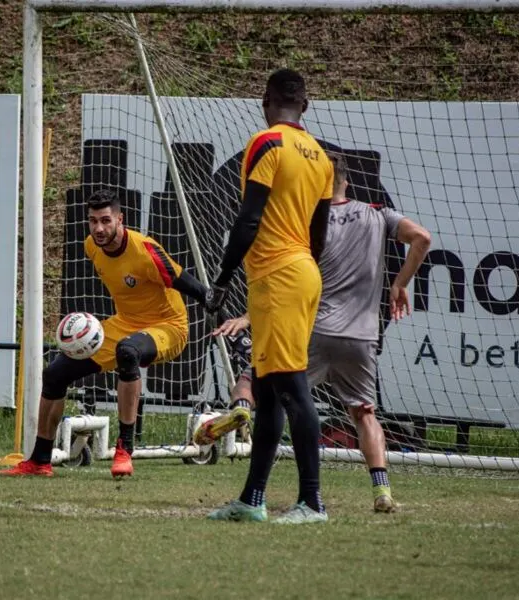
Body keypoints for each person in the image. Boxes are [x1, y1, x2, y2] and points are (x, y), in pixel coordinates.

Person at [197, 151, 432, 514]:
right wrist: (400, 284)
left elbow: (290, 279)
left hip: (313, 330)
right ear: (348, 183)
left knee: (260, 381)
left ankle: (242, 412)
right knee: (364, 413)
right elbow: (422, 238)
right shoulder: (378, 214)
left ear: (320, 185)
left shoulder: (309, 223)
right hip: (362, 336)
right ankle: (381, 490)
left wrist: (250, 315)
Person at [0, 188, 208, 479]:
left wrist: (219, 310)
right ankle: (39, 461)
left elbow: (191, 286)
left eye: (106, 220)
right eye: (93, 220)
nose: (99, 228)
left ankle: (124, 449)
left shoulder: (146, 250)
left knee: (128, 352)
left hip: (168, 327)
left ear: (120, 219)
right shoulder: (90, 246)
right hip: (125, 324)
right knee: (55, 374)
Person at [204, 68, 334, 524]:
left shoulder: (266, 143)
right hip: (299, 272)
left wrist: (222, 280)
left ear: (265, 100)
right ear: (307, 104)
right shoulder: (321, 157)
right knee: (267, 388)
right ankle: (252, 499)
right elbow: (318, 236)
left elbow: (247, 220)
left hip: (278, 276)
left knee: (293, 389)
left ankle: (313, 503)